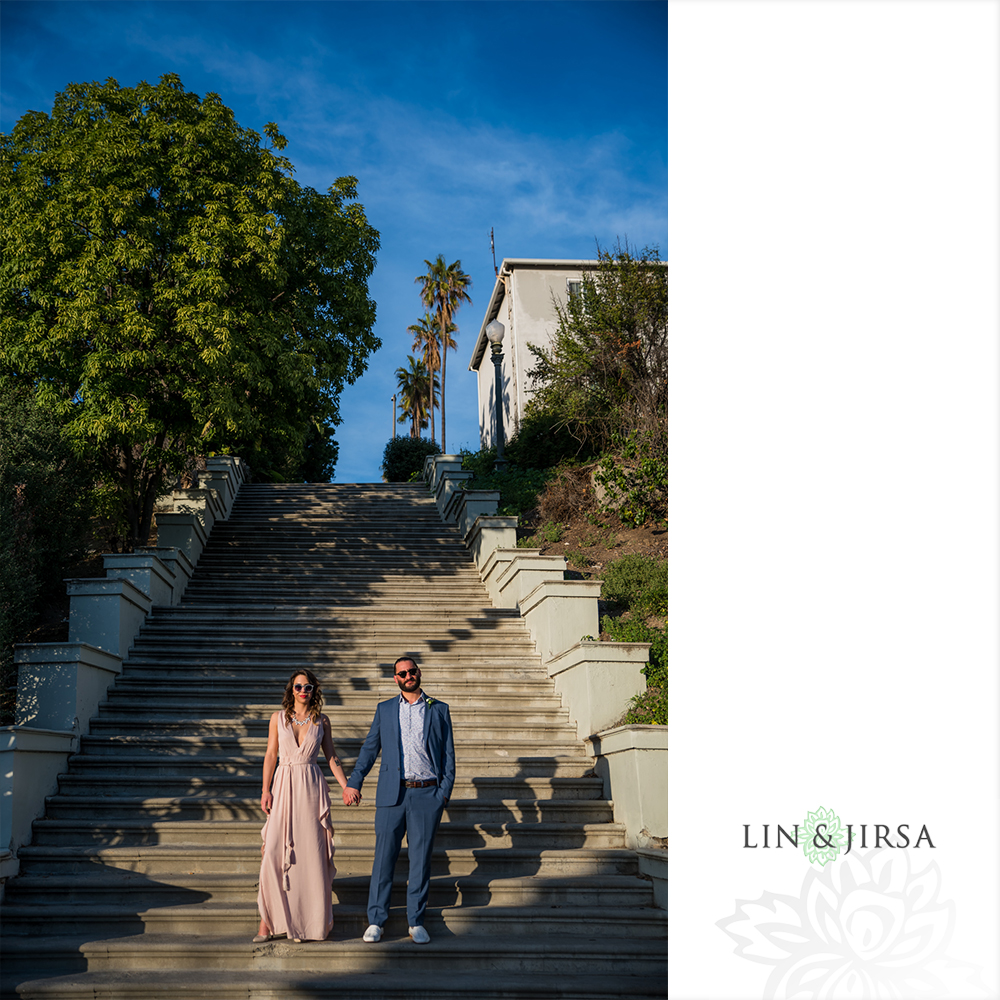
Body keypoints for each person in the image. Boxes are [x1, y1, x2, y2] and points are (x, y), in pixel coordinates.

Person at [343, 655, 455, 944]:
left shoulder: (439, 709)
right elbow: (370, 750)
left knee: (420, 862)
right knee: (383, 859)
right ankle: (376, 920)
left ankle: (415, 920)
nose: (408, 676)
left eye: (412, 671)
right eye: (402, 673)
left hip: (427, 794)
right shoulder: (385, 709)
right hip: (392, 794)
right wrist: (354, 782)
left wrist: (443, 792)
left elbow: (448, 756)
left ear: (419, 673)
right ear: (395, 679)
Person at [255, 669, 350, 943]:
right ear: (291, 690)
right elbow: (270, 754)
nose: (303, 692)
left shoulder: (322, 721)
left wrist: (346, 786)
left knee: (310, 857)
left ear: (314, 691)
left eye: (308, 687)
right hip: (283, 786)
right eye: (298, 687)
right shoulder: (277, 718)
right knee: (272, 851)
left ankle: (309, 924)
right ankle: (267, 922)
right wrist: (265, 790)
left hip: (310, 789)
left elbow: (332, 757)